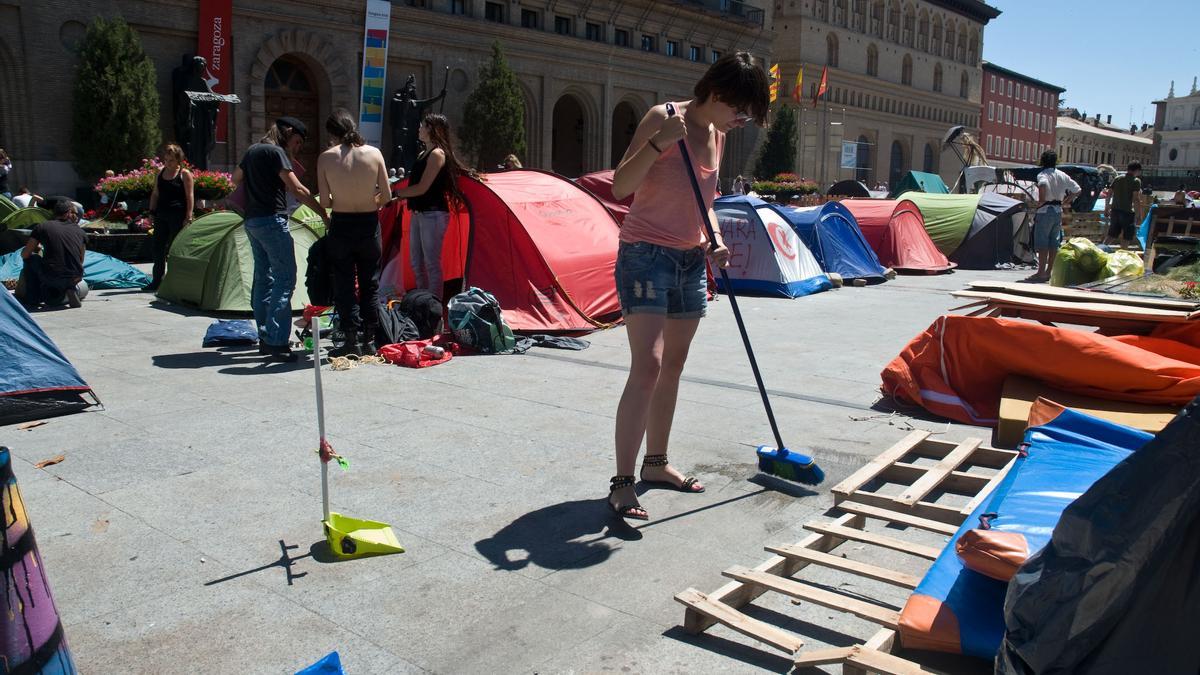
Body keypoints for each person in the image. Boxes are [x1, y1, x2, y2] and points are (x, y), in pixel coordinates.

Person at [606, 51, 768, 521]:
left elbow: (706, 201)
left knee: (673, 365)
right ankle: (622, 481)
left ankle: (656, 463)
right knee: (649, 365)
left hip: (689, 260)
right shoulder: (665, 117)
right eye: (739, 110)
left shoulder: (717, 134)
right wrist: (658, 143)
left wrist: (713, 239)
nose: (742, 120)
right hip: (645, 255)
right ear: (716, 94)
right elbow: (620, 186)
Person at [231, 116, 328, 362]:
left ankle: (265, 336)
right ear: (288, 132)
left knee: (263, 279)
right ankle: (277, 342)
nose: (296, 148)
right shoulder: (277, 152)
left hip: (251, 221)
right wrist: (323, 214)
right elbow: (298, 189)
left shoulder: (253, 150)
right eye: (296, 142)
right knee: (285, 280)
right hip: (272, 221)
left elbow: (235, 179)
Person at [316, 109, 390, 357]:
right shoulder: (375, 154)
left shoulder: (326, 158)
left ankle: (350, 339)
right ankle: (370, 339)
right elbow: (387, 196)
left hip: (342, 224)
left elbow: (325, 201)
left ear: (332, 133)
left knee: (344, 284)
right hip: (369, 223)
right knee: (370, 283)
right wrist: (372, 201)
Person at [391, 113, 469, 300]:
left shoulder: (437, 154)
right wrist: (395, 197)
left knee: (431, 263)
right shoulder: (422, 154)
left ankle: (433, 307)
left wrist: (395, 193)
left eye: (422, 126)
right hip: (419, 214)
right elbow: (414, 186)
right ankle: (422, 302)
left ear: (432, 129)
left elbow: (422, 187)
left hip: (433, 214)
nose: (418, 129)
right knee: (416, 263)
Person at [16, 200, 86, 310]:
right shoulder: (80, 231)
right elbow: (81, 260)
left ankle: (33, 299)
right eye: (75, 213)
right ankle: (69, 287)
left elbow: (25, 254)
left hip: (53, 276)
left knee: (31, 259)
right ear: (68, 213)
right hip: (76, 277)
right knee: (63, 269)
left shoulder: (42, 227)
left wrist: (35, 249)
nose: (77, 217)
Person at [146, 144, 194, 291]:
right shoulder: (160, 172)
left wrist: (189, 216)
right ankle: (157, 280)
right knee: (157, 247)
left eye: (171, 160)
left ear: (179, 160)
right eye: (166, 159)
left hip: (177, 215)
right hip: (161, 214)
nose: (168, 163)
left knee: (174, 248)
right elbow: (155, 193)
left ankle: (175, 280)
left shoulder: (184, 174)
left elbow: (190, 196)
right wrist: (151, 212)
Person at [1029, 150, 1080, 283]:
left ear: (1043, 161)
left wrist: (1040, 201)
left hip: (1045, 210)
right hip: (1058, 211)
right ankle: (1048, 272)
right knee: (1053, 243)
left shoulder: (1042, 174)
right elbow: (1077, 189)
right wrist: (1067, 201)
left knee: (1042, 243)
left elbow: (1043, 185)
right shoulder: (1062, 175)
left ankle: (1040, 272)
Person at [1103, 161, 1142, 248]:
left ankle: (1101, 249)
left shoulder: (1118, 178)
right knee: (1126, 237)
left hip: (1115, 211)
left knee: (1111, 235)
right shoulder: (1136, 181)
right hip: (1127, 212)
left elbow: (1109, 193)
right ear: (1137, 170)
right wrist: (1138, 215)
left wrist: (1106, 208)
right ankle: (1123, 254)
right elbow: (1136, 198)